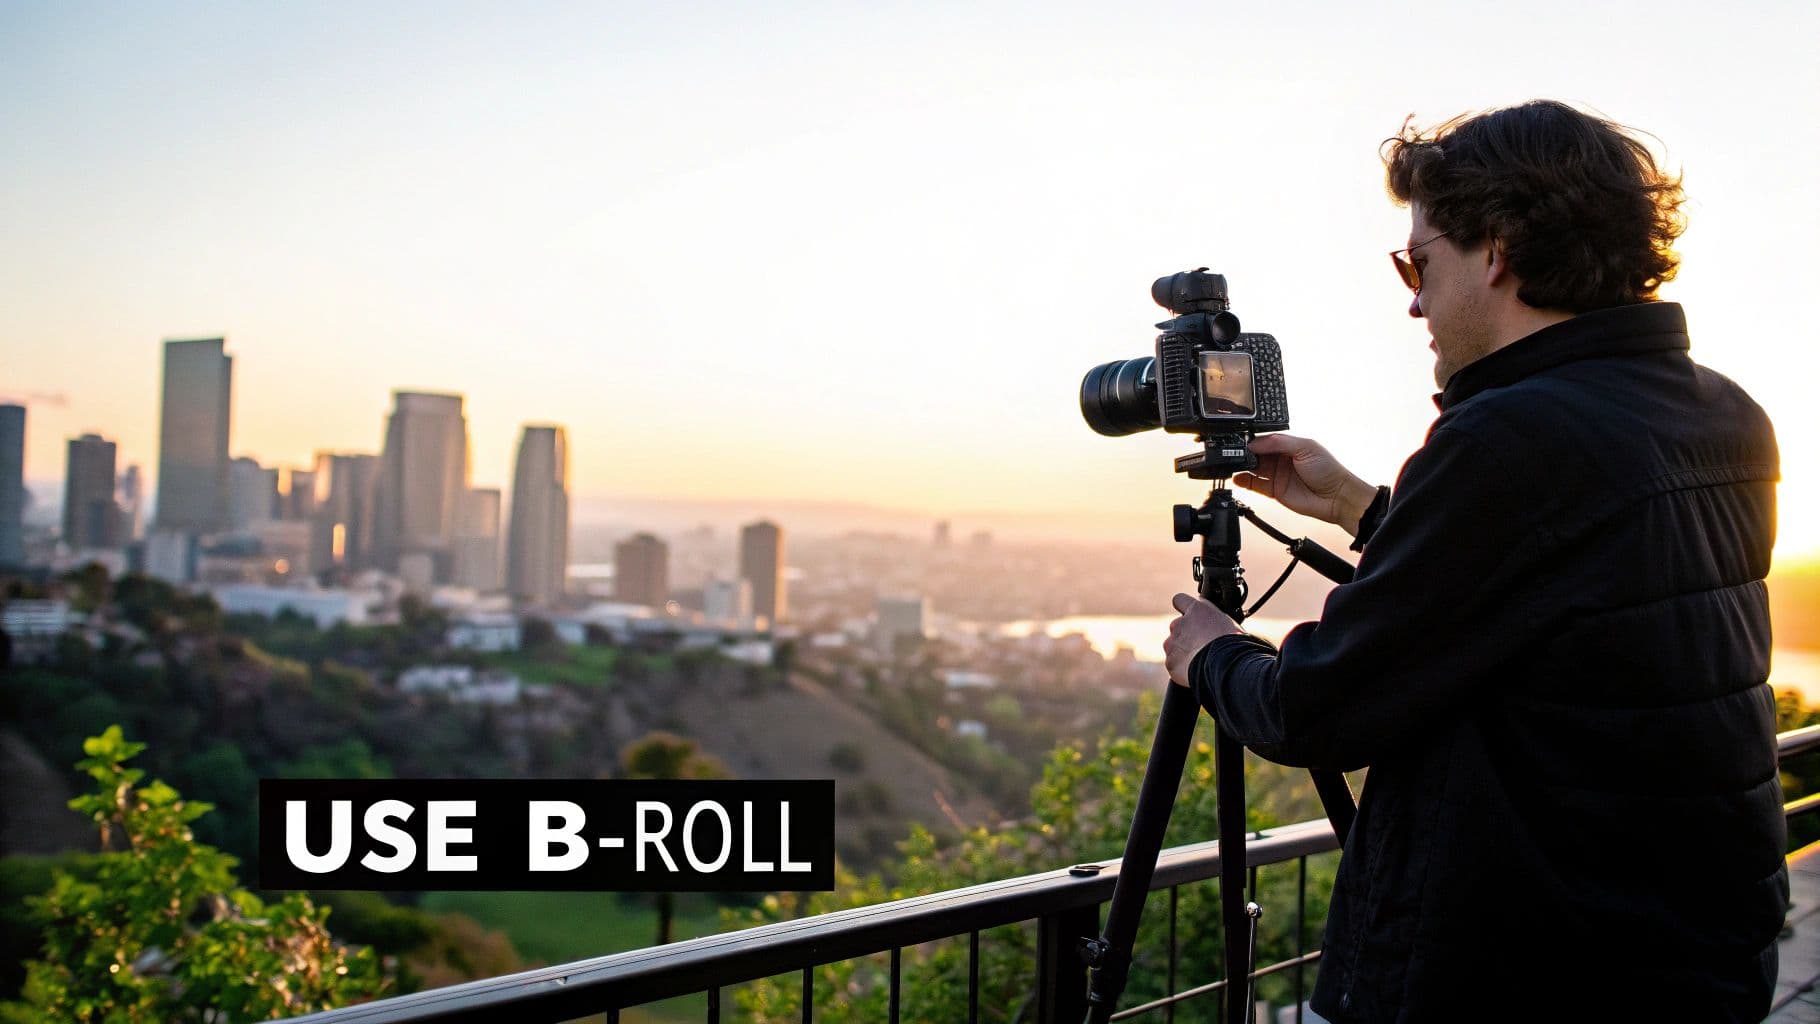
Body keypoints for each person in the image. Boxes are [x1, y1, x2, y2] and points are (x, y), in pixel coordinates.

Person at [1163, 100, 1785, 1023]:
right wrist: (1362, 509)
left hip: (1529, 966)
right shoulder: (1720, 411)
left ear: (1495, 252)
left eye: (1420, 261)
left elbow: (1319, 710)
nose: (1412, 298)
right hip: (1700, 944)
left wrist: (1213, 655)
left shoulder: (1512, 437)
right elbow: (1559, 593)